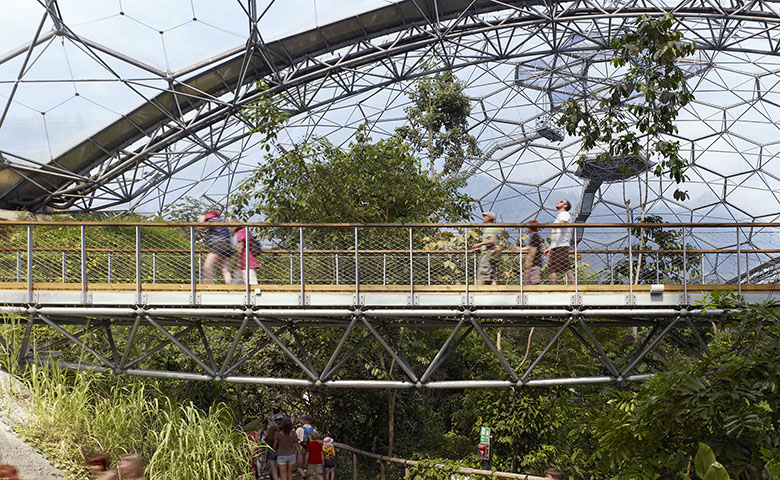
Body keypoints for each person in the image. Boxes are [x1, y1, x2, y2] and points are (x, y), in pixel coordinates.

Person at [197, 210, 233, 284]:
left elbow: (200, 227)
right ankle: (230, 287)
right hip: (228, 246)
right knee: (225, 269)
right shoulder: (222, 222)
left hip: (218, 245)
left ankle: (209, 285)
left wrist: (201, 219)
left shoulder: (213, 220)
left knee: (207, 266)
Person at [544, 200, 575, 285]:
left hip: (561, 245)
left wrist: (547, 226)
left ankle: (572, 287)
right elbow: (558, 233)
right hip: (558, 246)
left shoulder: (564, 214)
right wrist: (551, 247)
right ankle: (571, 286)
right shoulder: (560, 215)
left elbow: (562, 223)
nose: (558, 202)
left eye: (561, 201)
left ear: (565, 206)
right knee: (557, 267)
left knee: (559, 267)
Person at [473, 211, 501, 285]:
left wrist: (479, 244)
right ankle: (495, 294)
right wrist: (480, 249)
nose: (483, 218)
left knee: (482, 274)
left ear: (489, 218)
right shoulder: (492, 228)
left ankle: (477, 293)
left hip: (487, 256)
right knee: (491, 276)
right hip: (490, 255)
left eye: (485, 216)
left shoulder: (490, 228)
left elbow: (491, 241)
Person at [522, 220, 543, 285]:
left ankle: (540, 292)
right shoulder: (534, 236)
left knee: (535, 280)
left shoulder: (535, 237)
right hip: (534, 262)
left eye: (528, 227)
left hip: (535, 262)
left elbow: (534, 249)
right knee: (527, 280)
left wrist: (529, 261)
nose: (527, 228)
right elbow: (531, 247)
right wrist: (520, 249)